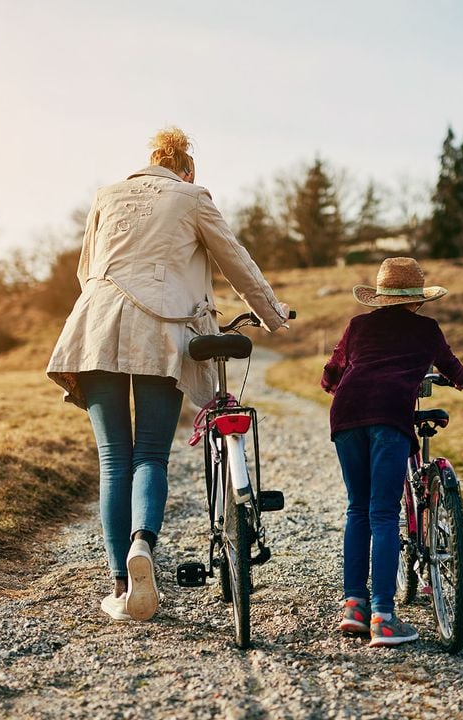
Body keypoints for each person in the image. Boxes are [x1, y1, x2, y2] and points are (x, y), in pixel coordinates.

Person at [47, 127, 289, 622]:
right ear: (186, 170)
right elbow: (235, 262)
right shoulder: (191, 196)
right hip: (158, 329)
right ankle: (142, 545)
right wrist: (272, 314)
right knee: (150, 455)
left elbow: (86, 269)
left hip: (94, 326)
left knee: (114, 459)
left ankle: (120, 583)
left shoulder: (106, 196)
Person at [320, 257, 463, 647]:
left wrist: (332, 384)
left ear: (381, 297)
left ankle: (354, 608)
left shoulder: (359, 326)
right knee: (384, 512)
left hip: (347, 413)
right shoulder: (426, 329)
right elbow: (450, 364)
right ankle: (384, 618)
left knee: (358, 508)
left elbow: (332, 370)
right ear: (418, 299)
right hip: (389, 414)